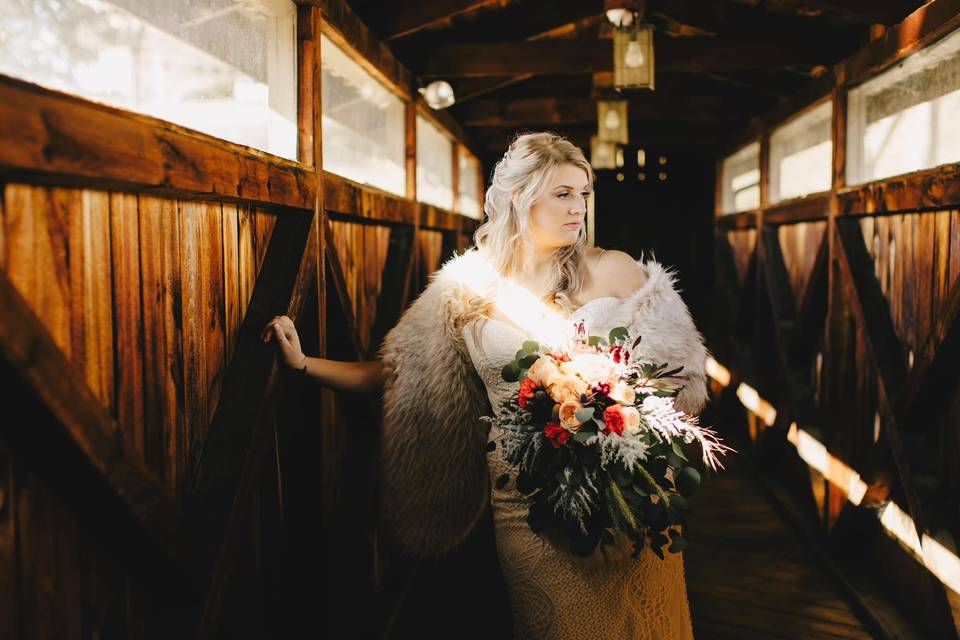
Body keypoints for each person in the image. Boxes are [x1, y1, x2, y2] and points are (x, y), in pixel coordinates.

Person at [263, 131, 709, 639]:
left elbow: (682, 375)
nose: (578, 208)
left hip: (623, 491)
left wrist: (617, 417)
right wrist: (303, 365)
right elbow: (398, 371)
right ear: (520, 197)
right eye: (562, 194)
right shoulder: (466, 287)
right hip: (525, 496)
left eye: (583, 194)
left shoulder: (612, 269)